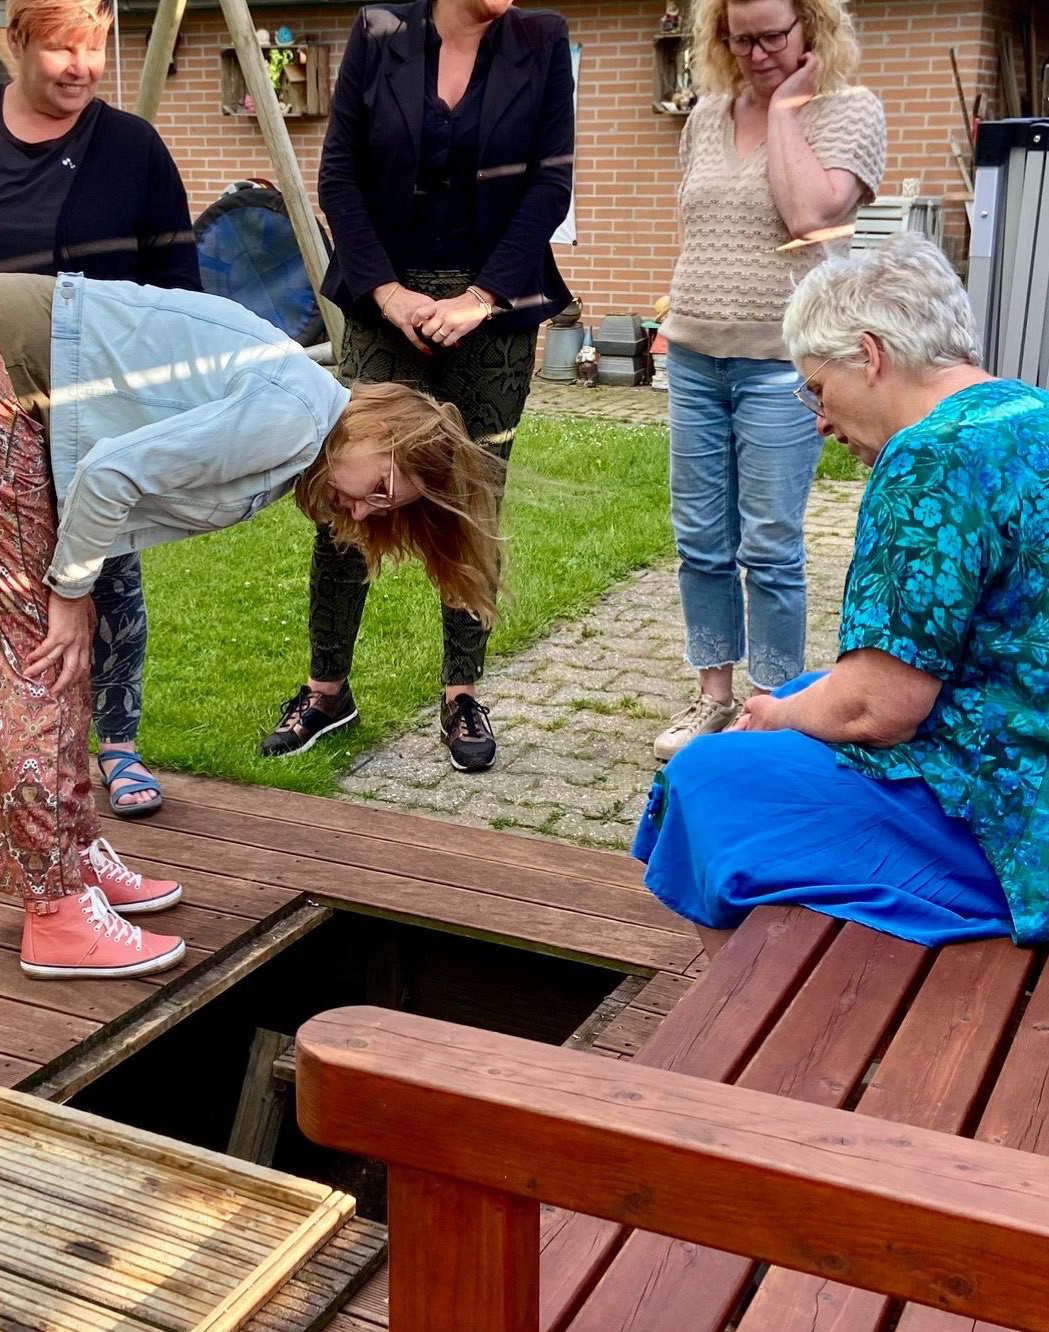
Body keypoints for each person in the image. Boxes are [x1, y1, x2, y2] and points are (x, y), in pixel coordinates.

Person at [0, 272, 501, 978]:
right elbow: (110, 474)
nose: (363, 513)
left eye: (383, 512)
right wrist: (70, 592)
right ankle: (53, 913)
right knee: (44, 663)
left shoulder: (301, 418)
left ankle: (71, 855)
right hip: (12, 369)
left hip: (32, 377)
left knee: (65, 663)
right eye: (381, 489)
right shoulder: (296, 417)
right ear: (379, 428)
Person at [634, 234, 1049, 953]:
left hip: (1012, 821)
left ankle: (740, 1028)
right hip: (1021, 736)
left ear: (871, 354)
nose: (818, 420)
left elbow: (877, 708)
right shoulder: (1027, 412)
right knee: (800, 693)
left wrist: (775, 715)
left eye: (819, 390)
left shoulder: (929, 458)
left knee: (708, 778)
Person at [259, 0, 574, 773]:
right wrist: (389, 294)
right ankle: (326, 689)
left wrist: (482, 298)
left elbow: (548, 185)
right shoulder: (378, 31)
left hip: (492, 316)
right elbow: (339, 175)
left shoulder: (543, 37)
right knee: (347, 490)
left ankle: (461, 691)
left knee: (473, 497)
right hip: (381, 305)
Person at [652, 0, 886, 761]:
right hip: (692, 354)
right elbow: (700, 228)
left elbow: (809, 213)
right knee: (699, 541)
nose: (753, 53)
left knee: (772, 544)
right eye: (736, 37)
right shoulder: (706, 115)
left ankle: (777, 704)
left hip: (782, 364)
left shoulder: (849, 112)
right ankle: (712, 699)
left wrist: (785, 109)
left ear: (811, 28)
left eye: (770, 36)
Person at [0, 0, 202, 819]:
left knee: (107, 571)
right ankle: (31, 746)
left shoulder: (132, 148)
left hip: (98, 399)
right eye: (60, 49)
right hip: (0, 403)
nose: (82, 66)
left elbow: (177, 287)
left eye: (95, 47)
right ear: (15, 42)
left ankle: (116, 745)